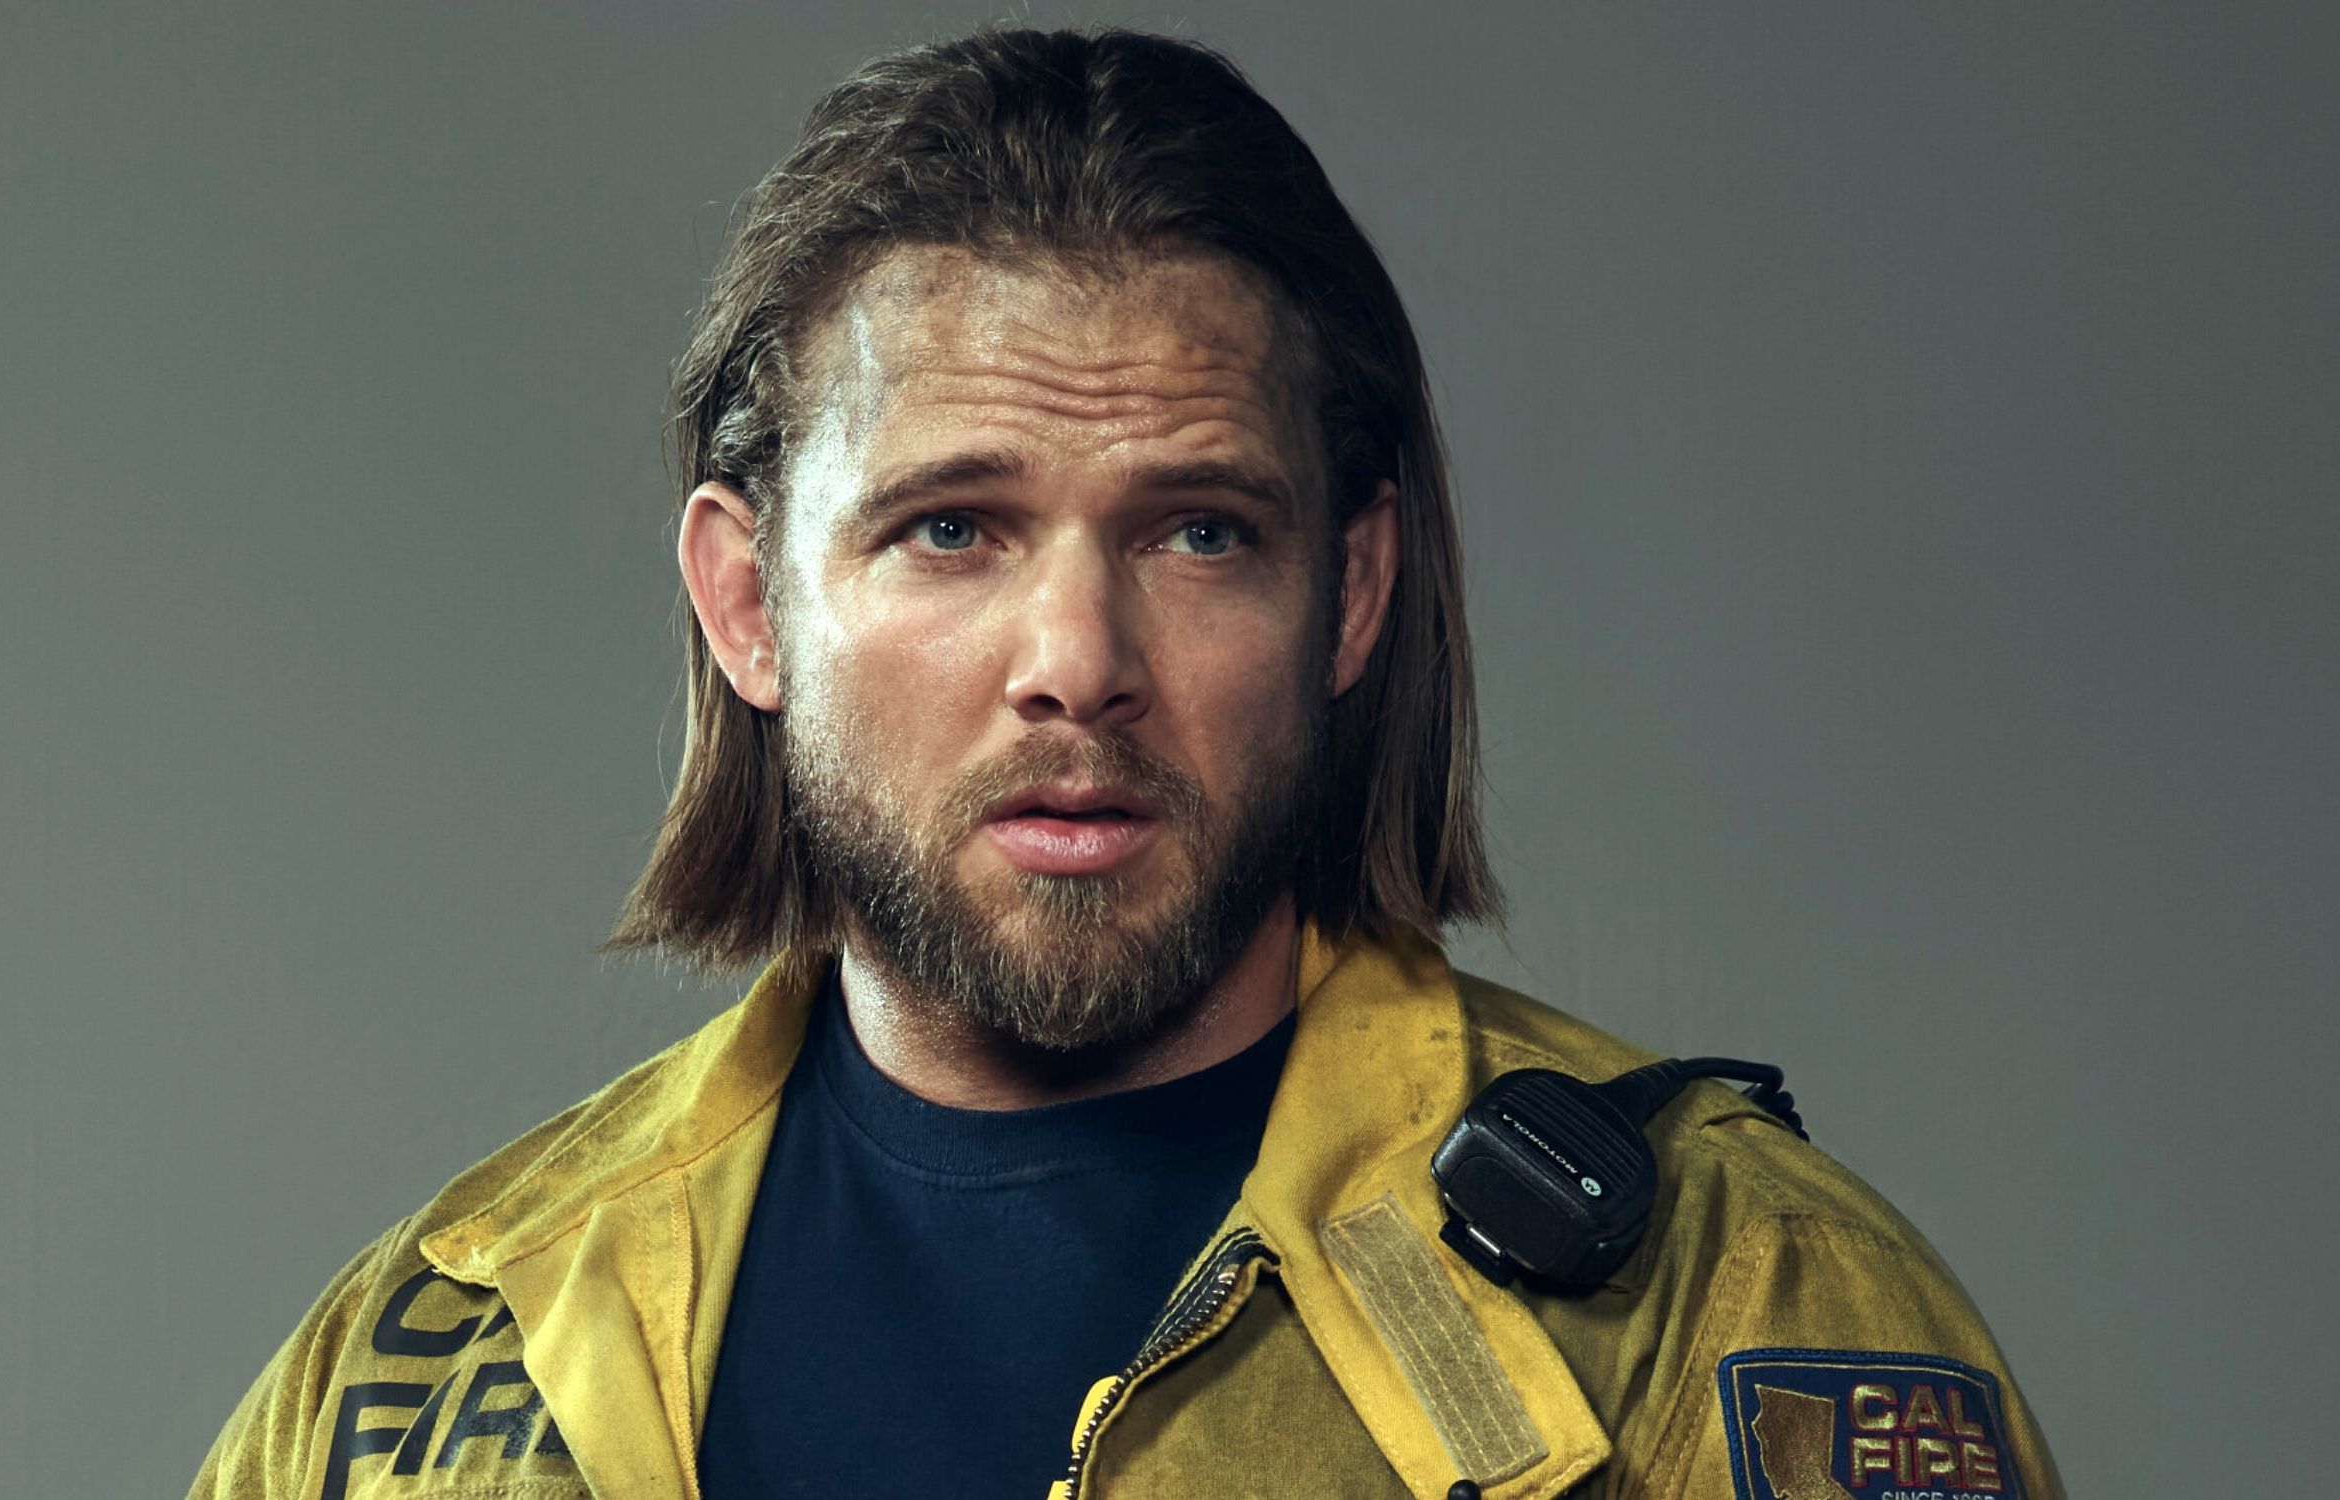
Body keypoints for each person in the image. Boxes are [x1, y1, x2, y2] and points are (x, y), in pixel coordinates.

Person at [189, 27, 2060, 1500]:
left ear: (1353, 597)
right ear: (748, 607)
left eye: (1196, 534)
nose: (1077, 665)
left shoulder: (1737, 1312)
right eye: (951, 531)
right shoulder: (427, 1375)